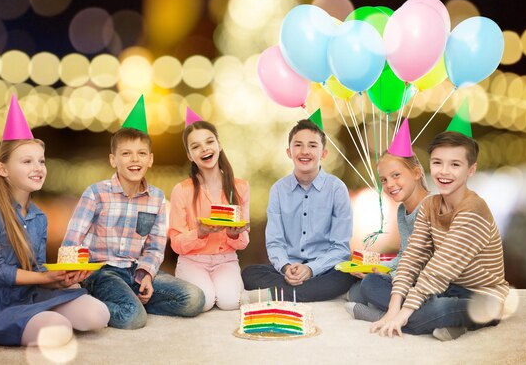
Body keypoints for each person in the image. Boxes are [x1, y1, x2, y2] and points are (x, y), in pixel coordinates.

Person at [0, 97, 109, 347]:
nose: (39, 168)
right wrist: (46, 280)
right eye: (27, 161)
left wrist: (62, 278)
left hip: (33, 294)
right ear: (3, 169)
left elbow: (37, 267)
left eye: (41, 161)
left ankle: (42, 315)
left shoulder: (39, 216)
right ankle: (40, 319)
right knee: (59, 329)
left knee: (98, 314)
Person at [367, 131, 509, 341]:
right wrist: (393, 308)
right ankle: (425, 321)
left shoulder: (473, 210)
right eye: (437, 163)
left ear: (471, 170)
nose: (444, 172)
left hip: (481, 297)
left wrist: (403, 314)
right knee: (370, 284)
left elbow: (440, 268)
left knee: (437, 310)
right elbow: (412, 257)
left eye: (455, 165)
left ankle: (388, 317)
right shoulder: (430, 206)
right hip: (447, 288)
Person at [62, 122, 205, 329]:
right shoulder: (96, 193)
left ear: (150, 159)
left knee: (194, 299)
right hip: (102, 272)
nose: (135, 159)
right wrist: (71, 276)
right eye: (126, 153)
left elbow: (155, 247)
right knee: (133, 318)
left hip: (136, 271)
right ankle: (84, 304)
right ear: (113, 160)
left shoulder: (156, 197)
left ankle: (131, 300)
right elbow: (72, 239)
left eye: (142, 153)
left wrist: (147, 274)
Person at [241, 119, 357, 302]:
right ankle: (306, 291)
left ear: (323, 153)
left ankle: (276, 294)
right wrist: (287, 268)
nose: (304, 151)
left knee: (347, 275)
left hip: (324, 269)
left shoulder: (337, 189)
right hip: (289, 269)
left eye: (312, 145)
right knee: (249, 273)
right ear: (289, 152)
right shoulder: (278, 190)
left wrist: (311, 269)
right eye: (298, 145)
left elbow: (340, 248)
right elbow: (275, 242)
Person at [346, 120, 429, 321]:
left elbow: (426, 262)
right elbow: (404, 255)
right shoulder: (402, 211)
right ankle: (407, 315)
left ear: (416, 173)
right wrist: (378, 269)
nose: (389, 184)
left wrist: (389, 276)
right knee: (355, 291)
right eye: (383, 180)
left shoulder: (430, 208)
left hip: (427, 283)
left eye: (396, 175)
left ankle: (386, 316)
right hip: (406, 278)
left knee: (370, 287)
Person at [169, 120, 250, 311]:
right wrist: (200, 232)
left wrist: (233, 234)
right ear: (190, 155)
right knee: (203, 302)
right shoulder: (181, 190)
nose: (204, 149)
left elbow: (243, 242)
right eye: (196, 146)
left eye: (209, 142)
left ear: (219, 145)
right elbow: (176, 243)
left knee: (229, 302)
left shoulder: (240, 187)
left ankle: (236, 291)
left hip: (226, 259)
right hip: (193, 261)